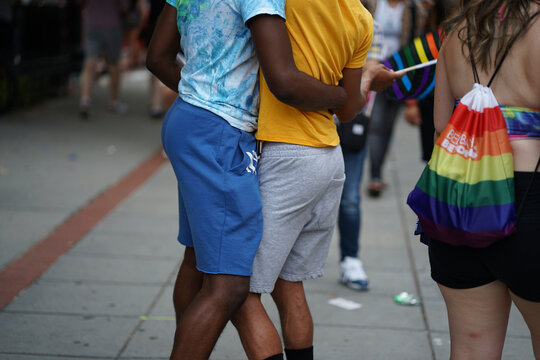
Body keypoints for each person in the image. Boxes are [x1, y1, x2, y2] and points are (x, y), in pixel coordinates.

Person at [146, 1, 352, 359]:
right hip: (221, 135)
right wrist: (340, 97)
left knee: (197, 258)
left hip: (188, 121)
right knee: (229, 287)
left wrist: (200, 97)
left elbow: (157, 58)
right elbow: (284, 81)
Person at [230, 1, 402, 359]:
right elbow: (348, 108)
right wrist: (369, 79)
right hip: (327, 158)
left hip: (286, 156)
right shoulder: (360, 16)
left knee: (236, 292)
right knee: (288, 285)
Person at [428, 1, 540, 358]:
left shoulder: (457, 33)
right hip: (530, 199)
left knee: (471, 350)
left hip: (460, 202)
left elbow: (441, 129)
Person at [337, 20, 386, 291]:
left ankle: (350, 260)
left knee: (350, 198)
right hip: (310, 121)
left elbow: (372, 72)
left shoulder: (367, 22)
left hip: (351, 122)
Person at [363, 0, 426, 196]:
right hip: (373, 69)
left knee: (388, 126)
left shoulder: (412, 9)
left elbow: (415, 42)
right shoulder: (372, 4)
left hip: (399, 74)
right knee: (376, 124)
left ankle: (378, 171)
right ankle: (374, 176)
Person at [403, 0, 459, 162]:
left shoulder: (460, 39)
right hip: (429, 103)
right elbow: (412, 71)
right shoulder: (430, 40)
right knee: (434, 158)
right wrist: (412, 104)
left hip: (453, 105)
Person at [79, 0, 129, 118]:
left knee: (89, 62)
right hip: (112, 25)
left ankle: (85, 99)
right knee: (113, 63)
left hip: (91, 23)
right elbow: (124, 6)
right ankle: (113, 101)